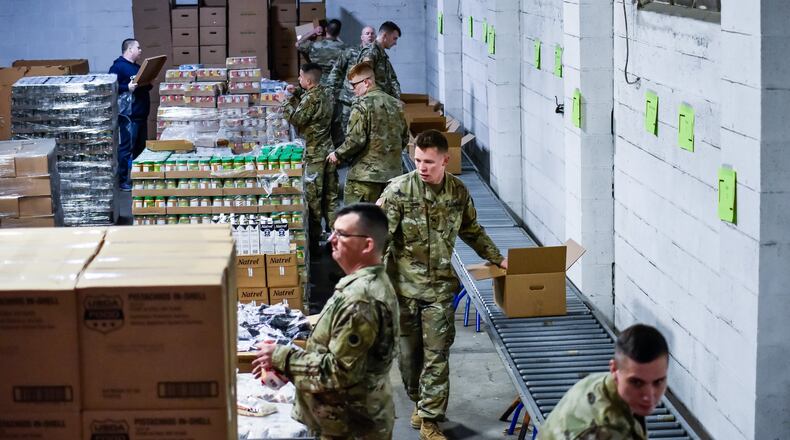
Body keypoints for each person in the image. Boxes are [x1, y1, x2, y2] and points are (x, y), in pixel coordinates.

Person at [377, 129, 508, 440]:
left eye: (429, 162)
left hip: (438, 291)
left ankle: (430, 419)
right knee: (409, 359)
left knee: (437, 356)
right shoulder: (398, 191)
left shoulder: (457, 192)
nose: (422, 167)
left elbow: (471, 229)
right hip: (403, 290)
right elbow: (379, 240)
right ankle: (419, 401)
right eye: (418, 160)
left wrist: (497, 257)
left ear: (445, 161)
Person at [252, 203, 400, 440]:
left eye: (341, 234)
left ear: (367, 245)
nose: (332, 239)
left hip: (349, 425)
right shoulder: (361, 285)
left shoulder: (360, 300)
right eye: (333, 232)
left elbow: (338, 373)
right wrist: (289, 369)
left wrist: (282, 357)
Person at [537, 324, 669, 440]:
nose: (648, 396)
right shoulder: (609, 431)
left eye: (658, 382)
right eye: (636, 383)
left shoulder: (601, 382)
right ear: (614, 369)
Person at [326, 62, 407, 205]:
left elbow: (355, 140)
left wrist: (337, 154)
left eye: (354, 85)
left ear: (366, 82)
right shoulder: (395, 103)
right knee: (386, 217)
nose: (352, 90)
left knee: (359, 217)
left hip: (365, 179)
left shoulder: (361, 104)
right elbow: (405, 137)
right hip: (393, 176)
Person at [322, 25, 377, 232]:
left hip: (370, 102)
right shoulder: (350, 52)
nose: (369, 36)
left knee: (366, 138)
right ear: (361, 36)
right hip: (348, 100)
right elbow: (337, 70)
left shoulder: (377, 55)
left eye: (372, 33)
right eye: (366, 33)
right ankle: (352, 169)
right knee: (350, 136)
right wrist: (331, 91)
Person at [277, 63, 333, 255]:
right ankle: (334, 236)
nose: (298, 80)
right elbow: (312, 106)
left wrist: (284, 101)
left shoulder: (310, 98)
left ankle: (314, 242)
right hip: (327, 149)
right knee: (330, 197)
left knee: (313, 198)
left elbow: (297, 119)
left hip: (313, 153)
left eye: (300, 77)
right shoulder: (325, 93)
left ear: (308, 80)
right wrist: (298, 93)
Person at [109, 38, 152, 191]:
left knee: (140, 149)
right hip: (129, 117)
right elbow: (110, 87)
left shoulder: (138, 68)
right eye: (138, 48)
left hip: (141, 114)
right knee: (127, 149)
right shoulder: (118, 67)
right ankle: (123, 181)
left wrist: (148, 81)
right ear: (129, 49)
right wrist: (126, 87)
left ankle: (138, 178)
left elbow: (144, 87)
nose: (140, 50)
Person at [356, 21, 402, 99]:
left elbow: (392, 79)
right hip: (374, 103)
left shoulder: (382, 54)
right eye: (394, 38)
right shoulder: (371, 52)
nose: (395, 43)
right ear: (385, 35)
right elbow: (364, 83)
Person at [296, 19, 346, 88]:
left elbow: (298, 44)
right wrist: (337, 38)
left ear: (326, 29)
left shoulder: (314, 46)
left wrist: (314, 31)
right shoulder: (344, 48)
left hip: (316, 84)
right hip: (335, 85)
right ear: (338, 33)